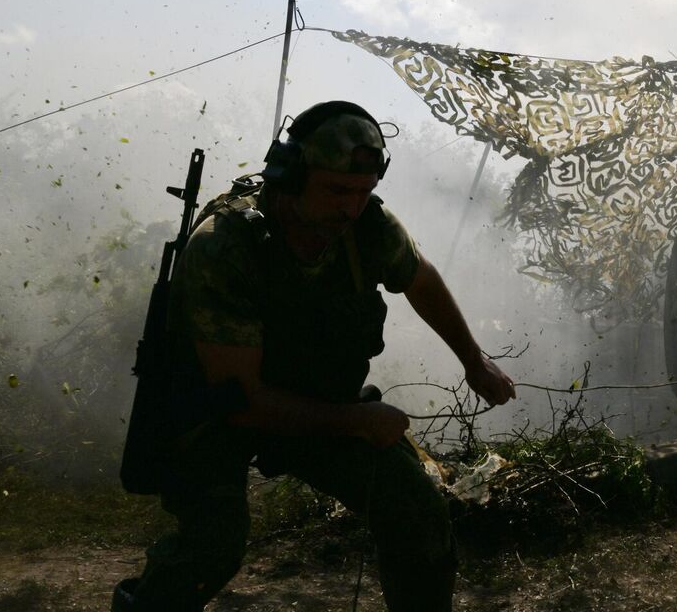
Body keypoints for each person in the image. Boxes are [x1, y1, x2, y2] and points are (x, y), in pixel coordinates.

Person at [113, 101, 516, 611]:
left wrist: (473, 360)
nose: (351, 207)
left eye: (364, 191)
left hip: (316, 403)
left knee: (416, 511)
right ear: (288, 175)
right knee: (211, 546)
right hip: (215, 415)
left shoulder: (366, 224)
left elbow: (420, 278)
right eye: (336, 191)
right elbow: (242, 403)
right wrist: (358, 421)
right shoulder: (224, 247)